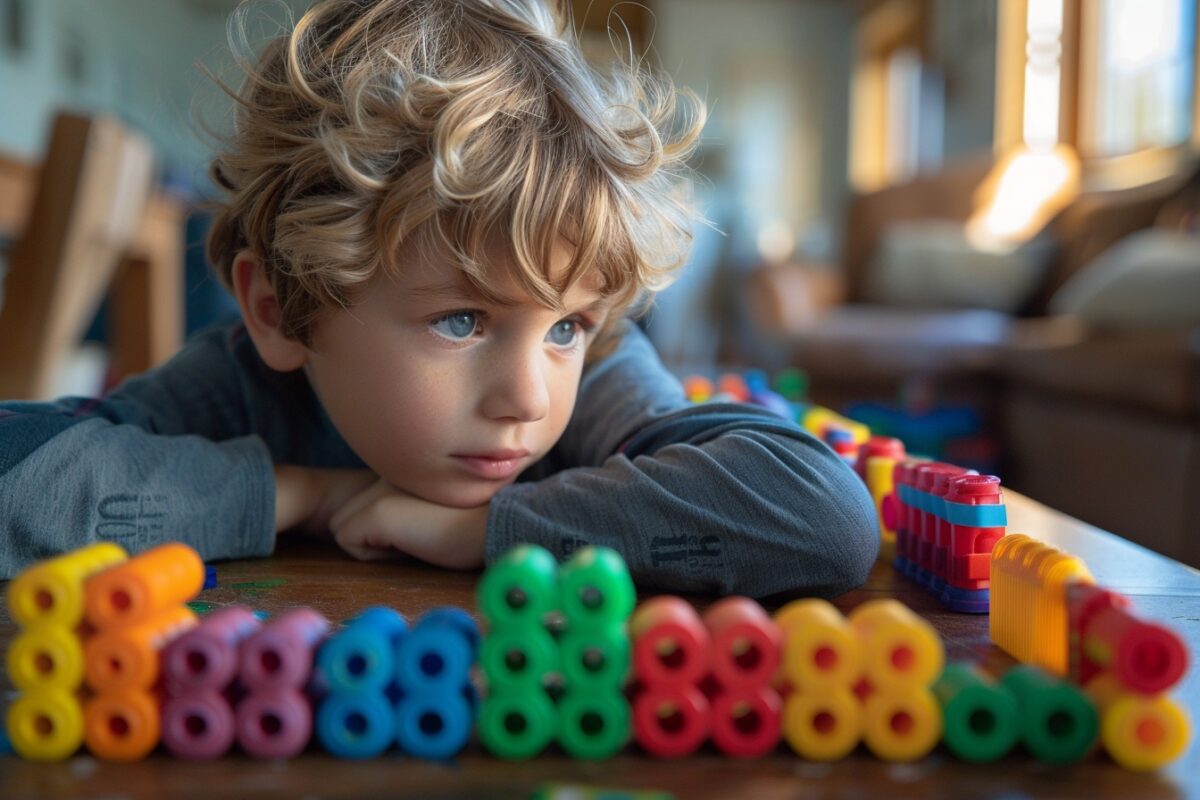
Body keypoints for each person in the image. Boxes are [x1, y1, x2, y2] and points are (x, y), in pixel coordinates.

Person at [0, 0, 877, 598]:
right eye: (462, 321)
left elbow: (823, 517)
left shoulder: (601, 373)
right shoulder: (237, 391)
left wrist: (493, 528)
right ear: (278, 311)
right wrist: (299, 493)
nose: (529, 398)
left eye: (564, 325)